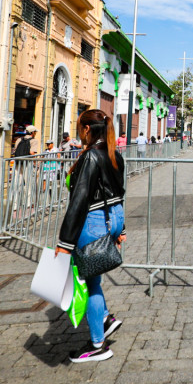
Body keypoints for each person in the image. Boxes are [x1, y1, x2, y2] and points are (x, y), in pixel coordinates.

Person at [55, 109, 126, 363]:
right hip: (112, 217)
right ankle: (105, 318)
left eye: (78, 127)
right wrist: (120, 228)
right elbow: (120, 191)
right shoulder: (114, 153)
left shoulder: (90, 157)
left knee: (89, 281)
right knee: (93, 276)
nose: (78, 131)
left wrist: (64, 243)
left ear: (86, 129)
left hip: (94, 221)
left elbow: (80, 200)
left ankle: (98, 345)